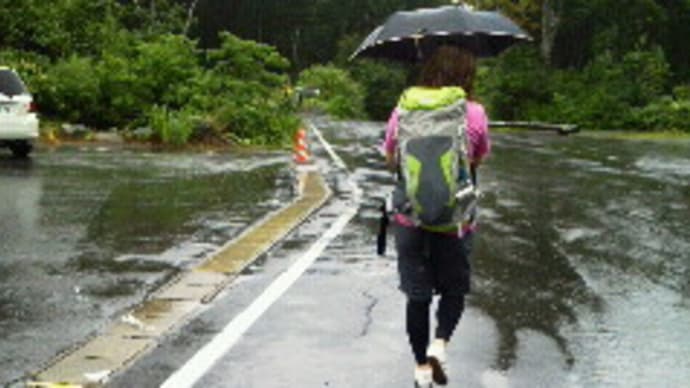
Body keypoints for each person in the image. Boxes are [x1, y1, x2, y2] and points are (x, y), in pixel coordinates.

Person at [382, 45, 490, 387]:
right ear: (466, 75)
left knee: (418, 295)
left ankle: (421, 370)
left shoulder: (404, 109)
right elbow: (477, 157)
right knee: (454, 289)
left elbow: (391, 157)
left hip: (409, 218)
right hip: (454, 220)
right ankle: (440, 343)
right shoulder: (473, 112)